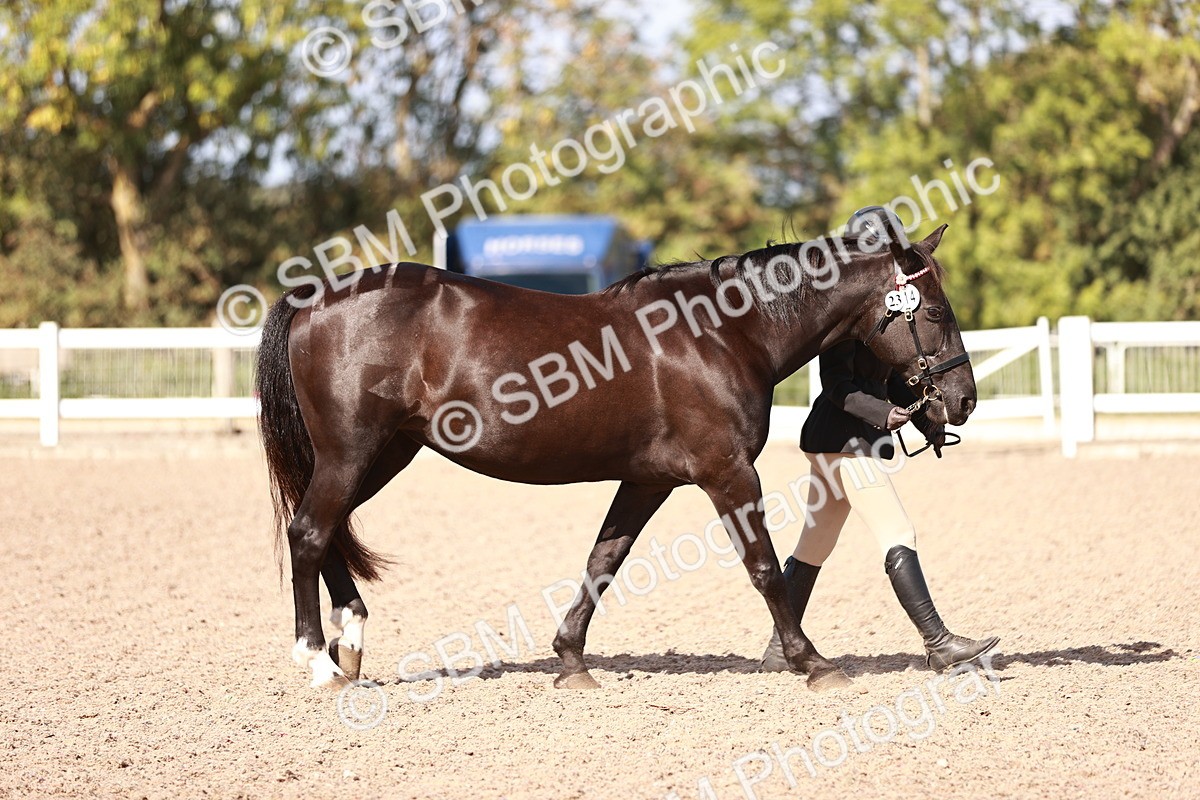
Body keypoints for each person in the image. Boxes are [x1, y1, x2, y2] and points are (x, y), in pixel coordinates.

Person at [760, 209, 999, 674]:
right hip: (843, 439)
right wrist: (883, 414)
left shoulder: (884, 309)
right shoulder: (841, 311)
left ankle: (778, 647)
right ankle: (938, 642)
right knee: (897, 533)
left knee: (814, 545)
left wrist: (924, 423)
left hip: (840, 441)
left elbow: (891, 376)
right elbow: (838, 387)